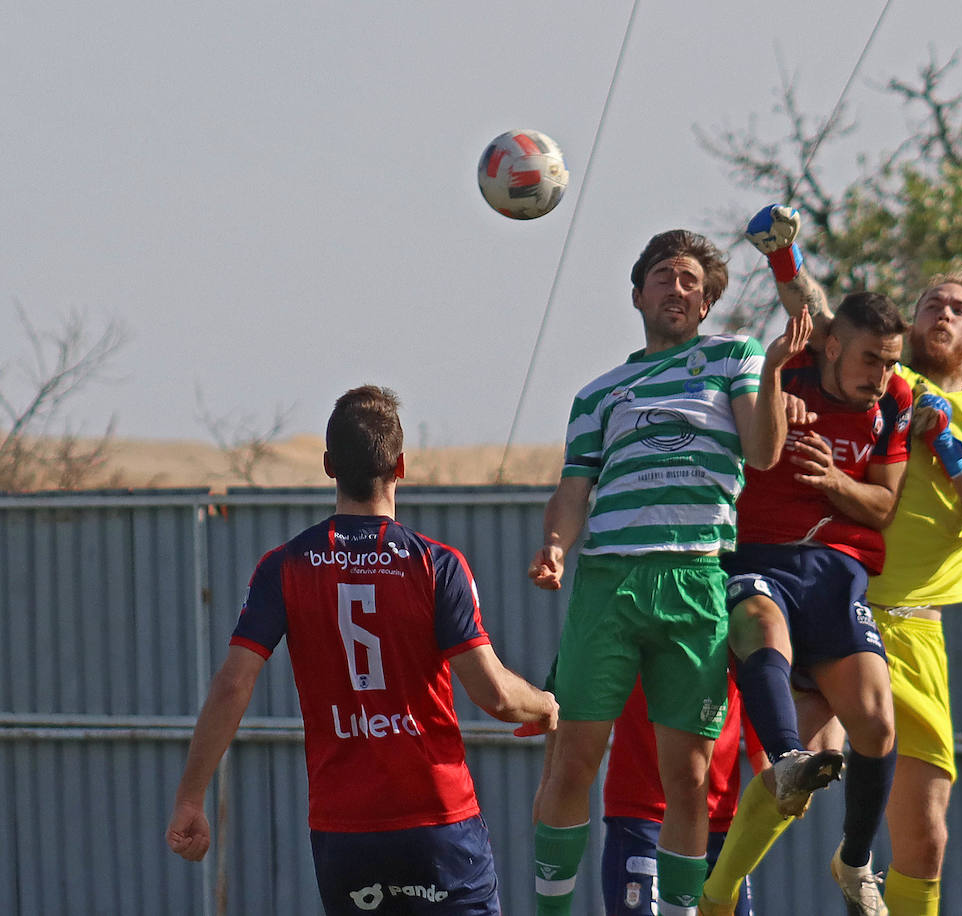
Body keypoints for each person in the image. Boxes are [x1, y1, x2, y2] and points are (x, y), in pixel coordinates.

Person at [165, 385, 558, 915]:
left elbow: (233, 683)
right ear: (400, 465)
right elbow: (495, 695)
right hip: (437, 823)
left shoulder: (285, 567)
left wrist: (191, 798)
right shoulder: (436, 566)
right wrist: (547, 705)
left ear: (329, 466)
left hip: (346, 831)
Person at [527, 228, 810, 916]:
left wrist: (772, 373)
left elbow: (763, 453)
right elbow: (573, 488)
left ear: (708, 303)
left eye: (691, 281)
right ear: (638, 293)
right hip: (610, 583)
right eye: (664, 276)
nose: (677, 289)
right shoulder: (600, 393)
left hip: (695, 582)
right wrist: (557, 546)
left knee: (687, 779)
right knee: (572, 762)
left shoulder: (732, 359)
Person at [702, 206, 913, 916]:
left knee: (876, 727)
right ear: (829, 347)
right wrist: (782, 258)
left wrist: (834, 484)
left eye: (891, 362)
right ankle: (724, 884)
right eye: (869, 360)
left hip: (835, 577)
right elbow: (808, 306)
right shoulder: (786, 368)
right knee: (760, 630)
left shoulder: (895, 405)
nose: (882, 376)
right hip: (761, 562)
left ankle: (854, 864)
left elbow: (882, 506)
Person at [866, 273, 962, 915]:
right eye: (931, 303)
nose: (943, 313)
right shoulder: (884, 380)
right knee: (794, 777)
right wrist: (786, 260)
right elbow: (819, 323)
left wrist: (953, 456)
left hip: (920, 635)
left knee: (926, 840)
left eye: (959, 309)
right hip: (845, 615)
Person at [599, 675, 765, 915]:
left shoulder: (736, 638)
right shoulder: (630, 638)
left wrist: (773, 772)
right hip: (645, 815)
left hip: (720, 822)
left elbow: (762, 688)